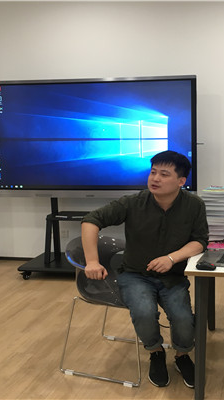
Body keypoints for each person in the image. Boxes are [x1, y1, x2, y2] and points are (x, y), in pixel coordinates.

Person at [81, 150, 209, 388]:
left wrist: (171, 258)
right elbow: (91, 221)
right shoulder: (133, 202)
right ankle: (155, 352)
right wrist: (92, 261)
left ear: (181, 181)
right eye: (153, 172)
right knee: (143, 312)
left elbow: (200, 241)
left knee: (183, 318)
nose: (155, 178)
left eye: (164, 174)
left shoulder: (194, 205)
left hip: (173, 277)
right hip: (135, 275)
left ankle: (182, 355)